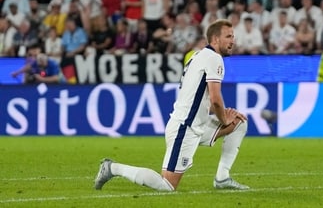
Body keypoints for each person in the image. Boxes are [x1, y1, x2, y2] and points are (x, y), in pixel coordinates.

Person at [94, 19, 250, 192]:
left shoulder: (197, 56)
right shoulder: (214, 58)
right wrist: (224, 118)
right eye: (228, 36)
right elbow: (215, 98)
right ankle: (111, 168)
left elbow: (203, 100)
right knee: (167, 186)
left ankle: (222, 178)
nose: (233, 41)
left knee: (239, 123)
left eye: (233, 36)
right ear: (215, 39)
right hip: (185, 128)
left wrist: (226, 114)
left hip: (197, 125)